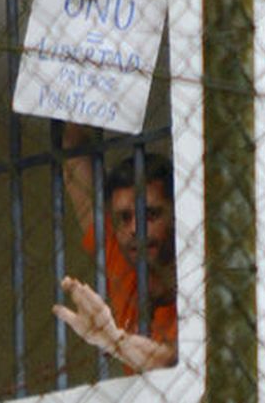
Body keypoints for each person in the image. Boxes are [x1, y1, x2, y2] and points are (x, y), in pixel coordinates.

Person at [54, 122, 178, 372]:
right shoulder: (122, 262)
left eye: (150, 214)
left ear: (177, 215)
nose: (135, 228)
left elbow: (169, 363)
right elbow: (73, 151)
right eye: (124, 218)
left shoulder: (203, 281)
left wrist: (112, 339)